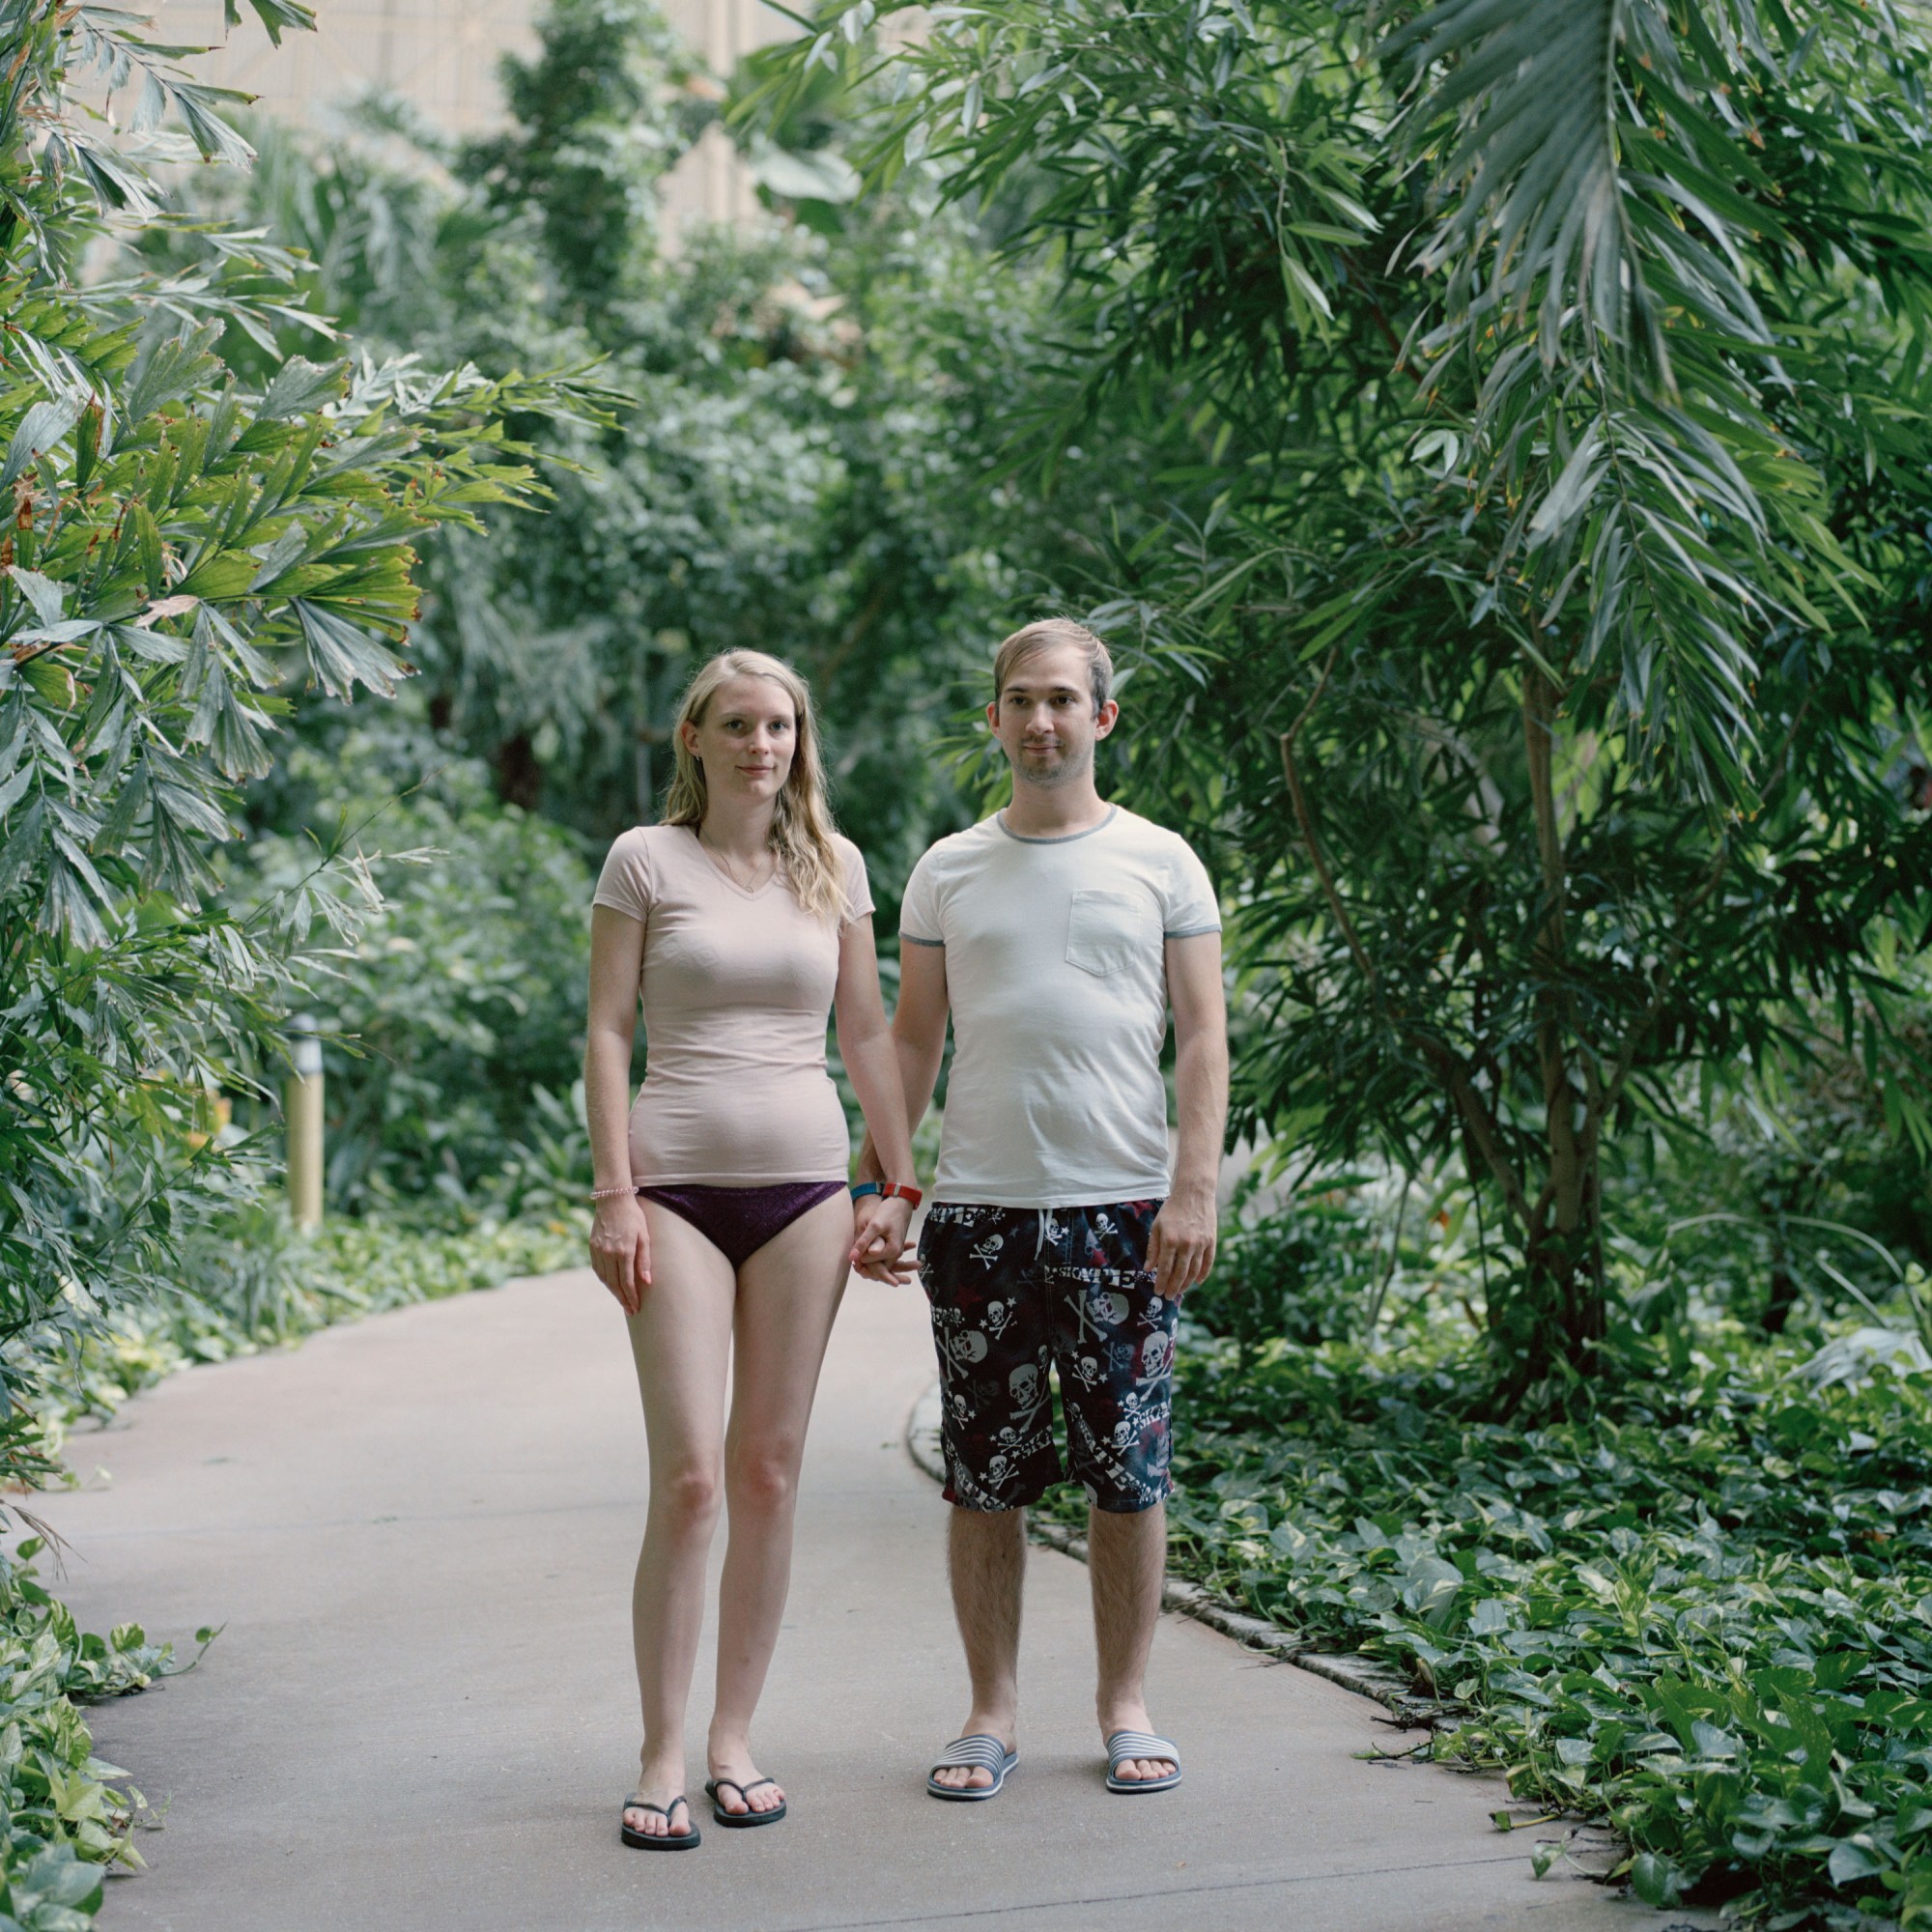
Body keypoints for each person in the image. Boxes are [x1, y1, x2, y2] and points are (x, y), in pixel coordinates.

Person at [858, 616, 1229, 1802]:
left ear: (1101, 715)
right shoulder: (947, 868)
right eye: (1020, 699)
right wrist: (886, 1183)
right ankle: (989, 1713)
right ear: (993, 718)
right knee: (984, 1474)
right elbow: (910, 1040)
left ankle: (1125, 1707)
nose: (1040, 719)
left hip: (1122, 1210)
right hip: (980, 1214)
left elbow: (1203, 1034)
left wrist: (1192, 1186)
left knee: (1128, 1469)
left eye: (1062, 698)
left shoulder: (1161, 860)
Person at [584, 649, 920, 1850]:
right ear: (695, 736)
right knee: (689, 1478)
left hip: (806, 1192)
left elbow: (866, 1029)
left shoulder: (833, 862)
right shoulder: (643, 859)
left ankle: (732, 1738)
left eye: (777, 725)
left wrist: (897, 1181)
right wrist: (613, 1193)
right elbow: (607, 1029)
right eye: (736, 724)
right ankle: (659, 1750)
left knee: (768, 1471)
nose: (759, 744)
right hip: (671, 1189)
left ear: (797, 740)